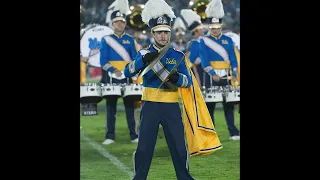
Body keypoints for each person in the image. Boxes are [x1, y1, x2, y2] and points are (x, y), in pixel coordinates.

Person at [124, 0, 222, 179]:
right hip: (150, 105)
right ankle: (139, 177)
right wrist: (142, 61)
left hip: (171, 106)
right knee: (145, 147)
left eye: (165, 33)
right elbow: (127, 71)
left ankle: (184, 177)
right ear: (153, 33)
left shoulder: (178, 55)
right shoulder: (143, 53)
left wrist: (178, 79)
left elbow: (188, 82)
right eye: (159, 32)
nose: (163, 36)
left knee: (178, 146)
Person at [199, 0, 240, 140]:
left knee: (228, 104)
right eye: (212, 27)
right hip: (211, 77)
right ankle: (211, 134)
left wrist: (234, 74)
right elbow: (204, 60)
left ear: (221, 26)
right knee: (210, 105)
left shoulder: (228, 41)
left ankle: (233, 132)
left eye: (217, 27)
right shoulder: (203, 41)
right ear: (209, 27)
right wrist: (212, 73)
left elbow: (233, 60)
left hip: (227, 76)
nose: (215, 30)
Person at [100, 0, 139, 145]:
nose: (120, 24)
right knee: (111, 108)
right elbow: (102, 60)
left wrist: (131, 72)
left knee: (130, 107)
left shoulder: (130, 40)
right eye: (117, 22)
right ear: (112, 24)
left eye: (122, 22)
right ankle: (110, 135)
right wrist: (113, 70)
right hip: (112, 77)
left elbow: (135, 59)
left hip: (127, 77)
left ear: (125, 23)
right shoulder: (106, 40)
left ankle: (134, 135)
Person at [180, 9, 205, 86]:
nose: (203, 31)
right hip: (198, 68)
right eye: (201, 29)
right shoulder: (193, 43)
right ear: (196, 31)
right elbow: (192, 59)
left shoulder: (203, 41)